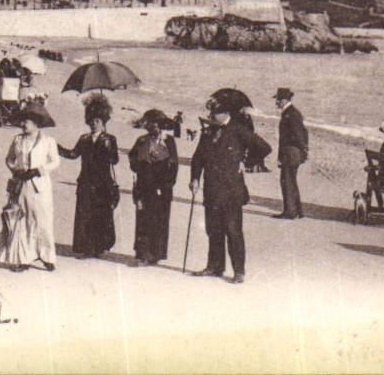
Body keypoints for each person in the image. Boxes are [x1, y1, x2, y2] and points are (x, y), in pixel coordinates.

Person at [189, 100, 270, 283]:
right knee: (213, 230)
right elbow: (197, 158)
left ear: (226, 113)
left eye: (215, 113)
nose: (210, 116)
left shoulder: (238, 130)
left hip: (231, 191)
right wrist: (195, 178)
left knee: (233, 232)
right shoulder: (208, 131)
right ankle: (214, 267)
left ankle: (239, 272)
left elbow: (264, 147)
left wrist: (247, 162)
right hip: (211, 190)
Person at [0, 107, 60, 272]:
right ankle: (24, 259)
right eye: (22, 121)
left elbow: (55, 162)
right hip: (21, 186)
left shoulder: (48, 141)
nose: (23, 124)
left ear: (36, 122)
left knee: (43, 221)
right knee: (22, 222)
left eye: (27, 121)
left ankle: (48, 257)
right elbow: (9, 159)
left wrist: (39, 170)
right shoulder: (18, 140)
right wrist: (15, 170)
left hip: (40, 187)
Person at [57, 92, 119, 259]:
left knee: (101, 214)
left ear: (103, 122)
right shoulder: (83, 139)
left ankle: (99, 246)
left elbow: (115, 160)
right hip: (85, 182)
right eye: (91, 121)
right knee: (85, 214)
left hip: (103, 184)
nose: (93, 124)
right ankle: (86, 247)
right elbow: (72, 154)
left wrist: (108, 147)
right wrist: (57, 148)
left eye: (97, 121)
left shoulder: (110, 139)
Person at [128, 109, 179, 267]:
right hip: (144, 184)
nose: (152, 126)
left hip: (161, 187)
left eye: (155, 123)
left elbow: (174, 164)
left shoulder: (168, 141)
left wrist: (167, 183)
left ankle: (155, 253)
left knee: (159, 220)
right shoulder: (142, 140)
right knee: (143, 218)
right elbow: (132, 159)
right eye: (150, 123)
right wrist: (139, 162)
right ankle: (143, 253)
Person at [274, 88, 308, 219]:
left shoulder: (290, 113)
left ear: (283, 100)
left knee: (287, 181)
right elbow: (303, 133)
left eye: (277, 100)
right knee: (291, 181)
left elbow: (299, 134)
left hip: (291, 153)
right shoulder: (291, 112)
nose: (276, 103)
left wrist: (302, 149)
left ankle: (290, 212)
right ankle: (297, 211)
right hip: (292, 152)